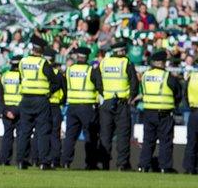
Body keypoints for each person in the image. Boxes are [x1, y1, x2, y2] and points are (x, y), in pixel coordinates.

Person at [16, 35, 61, 170]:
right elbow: (55, 81)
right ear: (41, 50)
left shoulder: (22, 62)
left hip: (26, 99)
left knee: (24, 131)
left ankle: (20, 161)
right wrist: (48, 92)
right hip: (40, 100)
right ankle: (43, 162)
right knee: (43, 131)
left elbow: (20, 79)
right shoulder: (43, 63)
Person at [95, 40, 138, 170]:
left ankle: (104, 164)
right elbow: (134, 83)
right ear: (121, 51)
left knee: (105, 135)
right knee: (123, 135)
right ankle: (122, 164)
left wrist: (105, 93)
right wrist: (131, 97)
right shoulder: (126, 62)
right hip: (122, 103)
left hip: (107, 103)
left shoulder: (104, 63)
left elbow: (96, 80)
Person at [138, 51, 182, 173]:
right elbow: (178, 93)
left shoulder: (145, 75)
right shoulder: (168, 77)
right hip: (164, 113)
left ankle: (143, 166)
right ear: (163, 62)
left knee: (148, 140)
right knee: (165, 141)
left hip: (148, 113)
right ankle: (164, 167)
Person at [61, 47, 102, 170]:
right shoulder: (91, 70)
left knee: (70, 136)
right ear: (87, 57)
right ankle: (90, 164)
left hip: (72, 106)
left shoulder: (69, 70)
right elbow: (99, 86)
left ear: (77, 57)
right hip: (87, 107)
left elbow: (65, 85)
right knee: (90, 136)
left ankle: (65, 162)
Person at [0, 55, 22, 165]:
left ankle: (4, 160)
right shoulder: (24, 78)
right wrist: (16, 111)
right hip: (20, 111)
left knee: (7, 136)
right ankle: (20, 160)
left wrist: (5, 111)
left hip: (7, 111)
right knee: (22, 137)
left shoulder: (4, 76)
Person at [44, 47, 65, 168]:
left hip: (43, 105)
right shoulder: (58, 74)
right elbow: (65, 92)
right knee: (55, 133)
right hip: (55, 106)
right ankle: (55, 160)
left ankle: (39, 158)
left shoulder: (40, 72)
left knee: (41, 132)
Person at [183, 66, 198, 175]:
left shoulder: (192, 77)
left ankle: (189, 168)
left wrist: (190, 106)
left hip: (194, 112)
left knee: (191, 141)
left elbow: (185, 94)